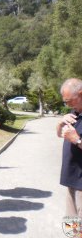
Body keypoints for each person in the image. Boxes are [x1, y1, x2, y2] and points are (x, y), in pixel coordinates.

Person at [56, 78, 82, 218]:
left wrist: (77, 140)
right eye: (65, 101)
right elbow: (59, 134)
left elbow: (74, 138)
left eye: (69, 101)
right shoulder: (75, 112)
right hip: (71, 178)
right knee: (71, 222)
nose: (67, 105)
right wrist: (60, 123)